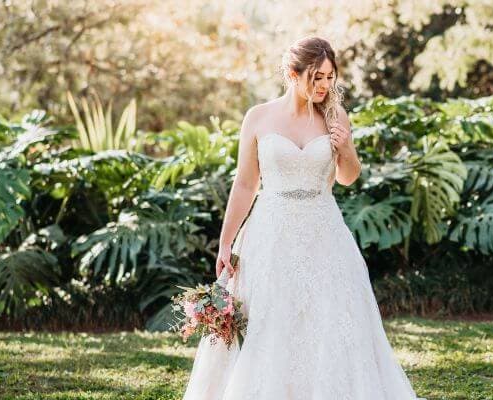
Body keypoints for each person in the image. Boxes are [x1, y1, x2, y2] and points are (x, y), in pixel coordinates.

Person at [181, 36, 424, 400]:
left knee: (330, 319)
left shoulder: (335, 116)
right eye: (316, 78)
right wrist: (226, 241)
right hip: (270, 231)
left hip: (323, 230)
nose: (324, 86)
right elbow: (246, 184)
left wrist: (346, 149)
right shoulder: (259, 117)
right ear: (293, 75)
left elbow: (348, 176)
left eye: (329, 78)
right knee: (270, 319)